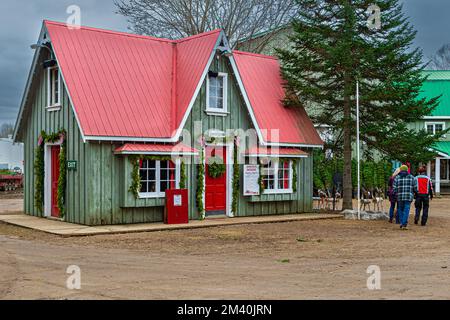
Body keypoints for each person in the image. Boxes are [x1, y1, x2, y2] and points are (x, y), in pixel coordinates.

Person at [393, 165, 417, 230]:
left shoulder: (397, 178)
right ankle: (404, 223)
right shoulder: (412, 177)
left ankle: (401, 223)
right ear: (407, 170)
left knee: (400, 209)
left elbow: (394, 188)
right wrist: (415, 192)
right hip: (408, 196)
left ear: (400, 170)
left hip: (399, 196)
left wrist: (396, 193)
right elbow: (415, 187)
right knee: (406, 209)